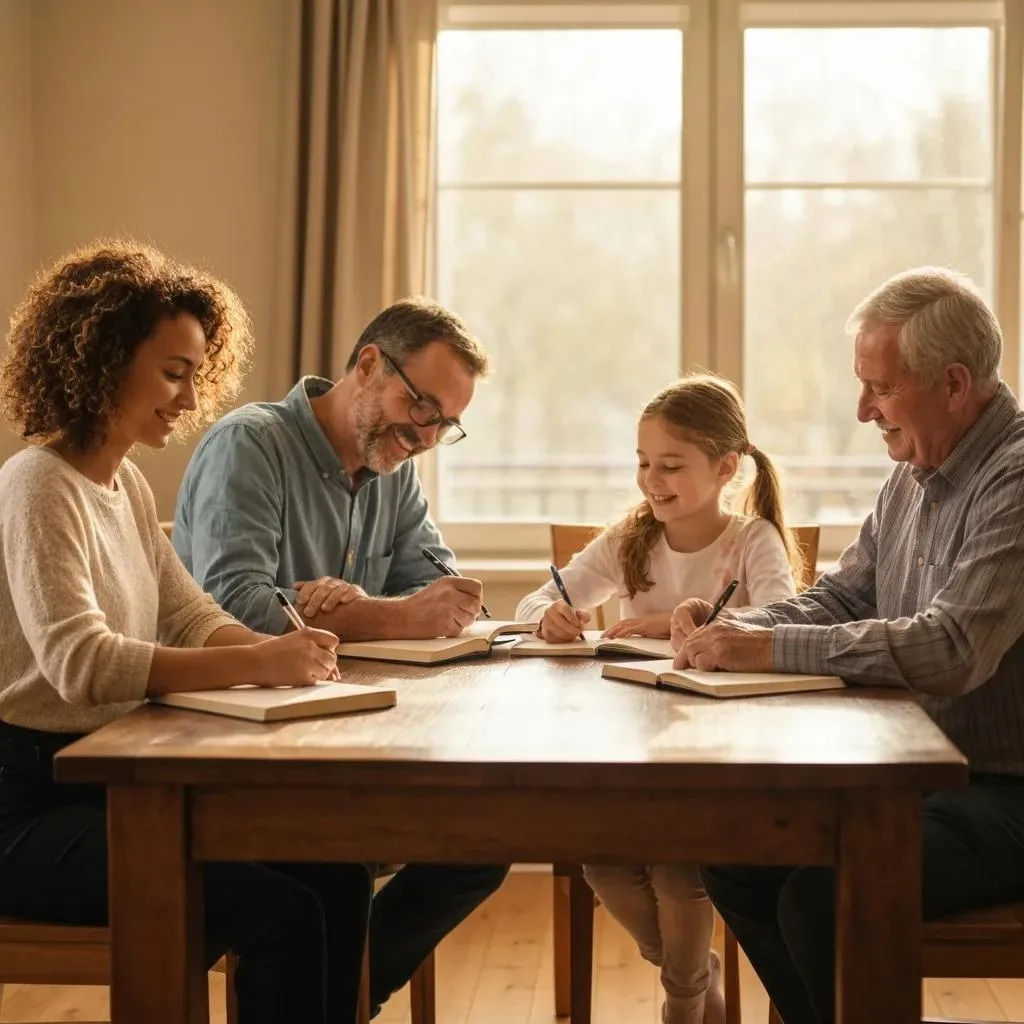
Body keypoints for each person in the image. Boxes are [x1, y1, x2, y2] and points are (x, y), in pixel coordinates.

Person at [0, 240, 374, 1024]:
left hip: (110, 783)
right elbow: (81, 664)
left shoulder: (124, 481)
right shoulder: (38, 485)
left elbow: (188, 613)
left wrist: (285, 654)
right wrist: (263, 667)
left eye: (195, 373)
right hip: (26, 805)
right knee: (281, 911)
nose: (187, 394)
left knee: (334, 870)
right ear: (103, 358)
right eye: (173, 371)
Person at [671, 268, 1024, 1024]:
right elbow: (842, 595)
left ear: (955, 385)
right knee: (734, 855)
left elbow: (954, 648)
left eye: (881, 387)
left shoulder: (1016, 480)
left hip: (1005, 790)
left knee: (823, 898)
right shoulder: (917, 468)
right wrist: (737, 631)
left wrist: (767, 654)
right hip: (917, 776)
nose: (863, 409)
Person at [172, 297, 508, 1015]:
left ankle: (345, 1000)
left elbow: (446, 597)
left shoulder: (396, 472)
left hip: (353, 732)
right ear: (366, 365)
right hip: (235, 744)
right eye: (420, 404)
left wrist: (349, 602)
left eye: (445, 425)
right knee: (338, 858)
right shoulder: (251, 445)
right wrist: (387, 613)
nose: (425, 434)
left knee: (483, 843)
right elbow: (232, 607)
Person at [517, 374, 801, 1024]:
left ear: (726, 467)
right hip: (627, 745)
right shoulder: (631, 538)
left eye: (671, 465)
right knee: (606, 865)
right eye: (644, 463)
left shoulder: (751, 540)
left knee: (680, 874)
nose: (652, 479)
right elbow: (540, 597)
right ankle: (698, 977)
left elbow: (786, 621)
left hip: (721, 753)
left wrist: (674, 621)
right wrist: (547, 619)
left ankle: (681, 1002)